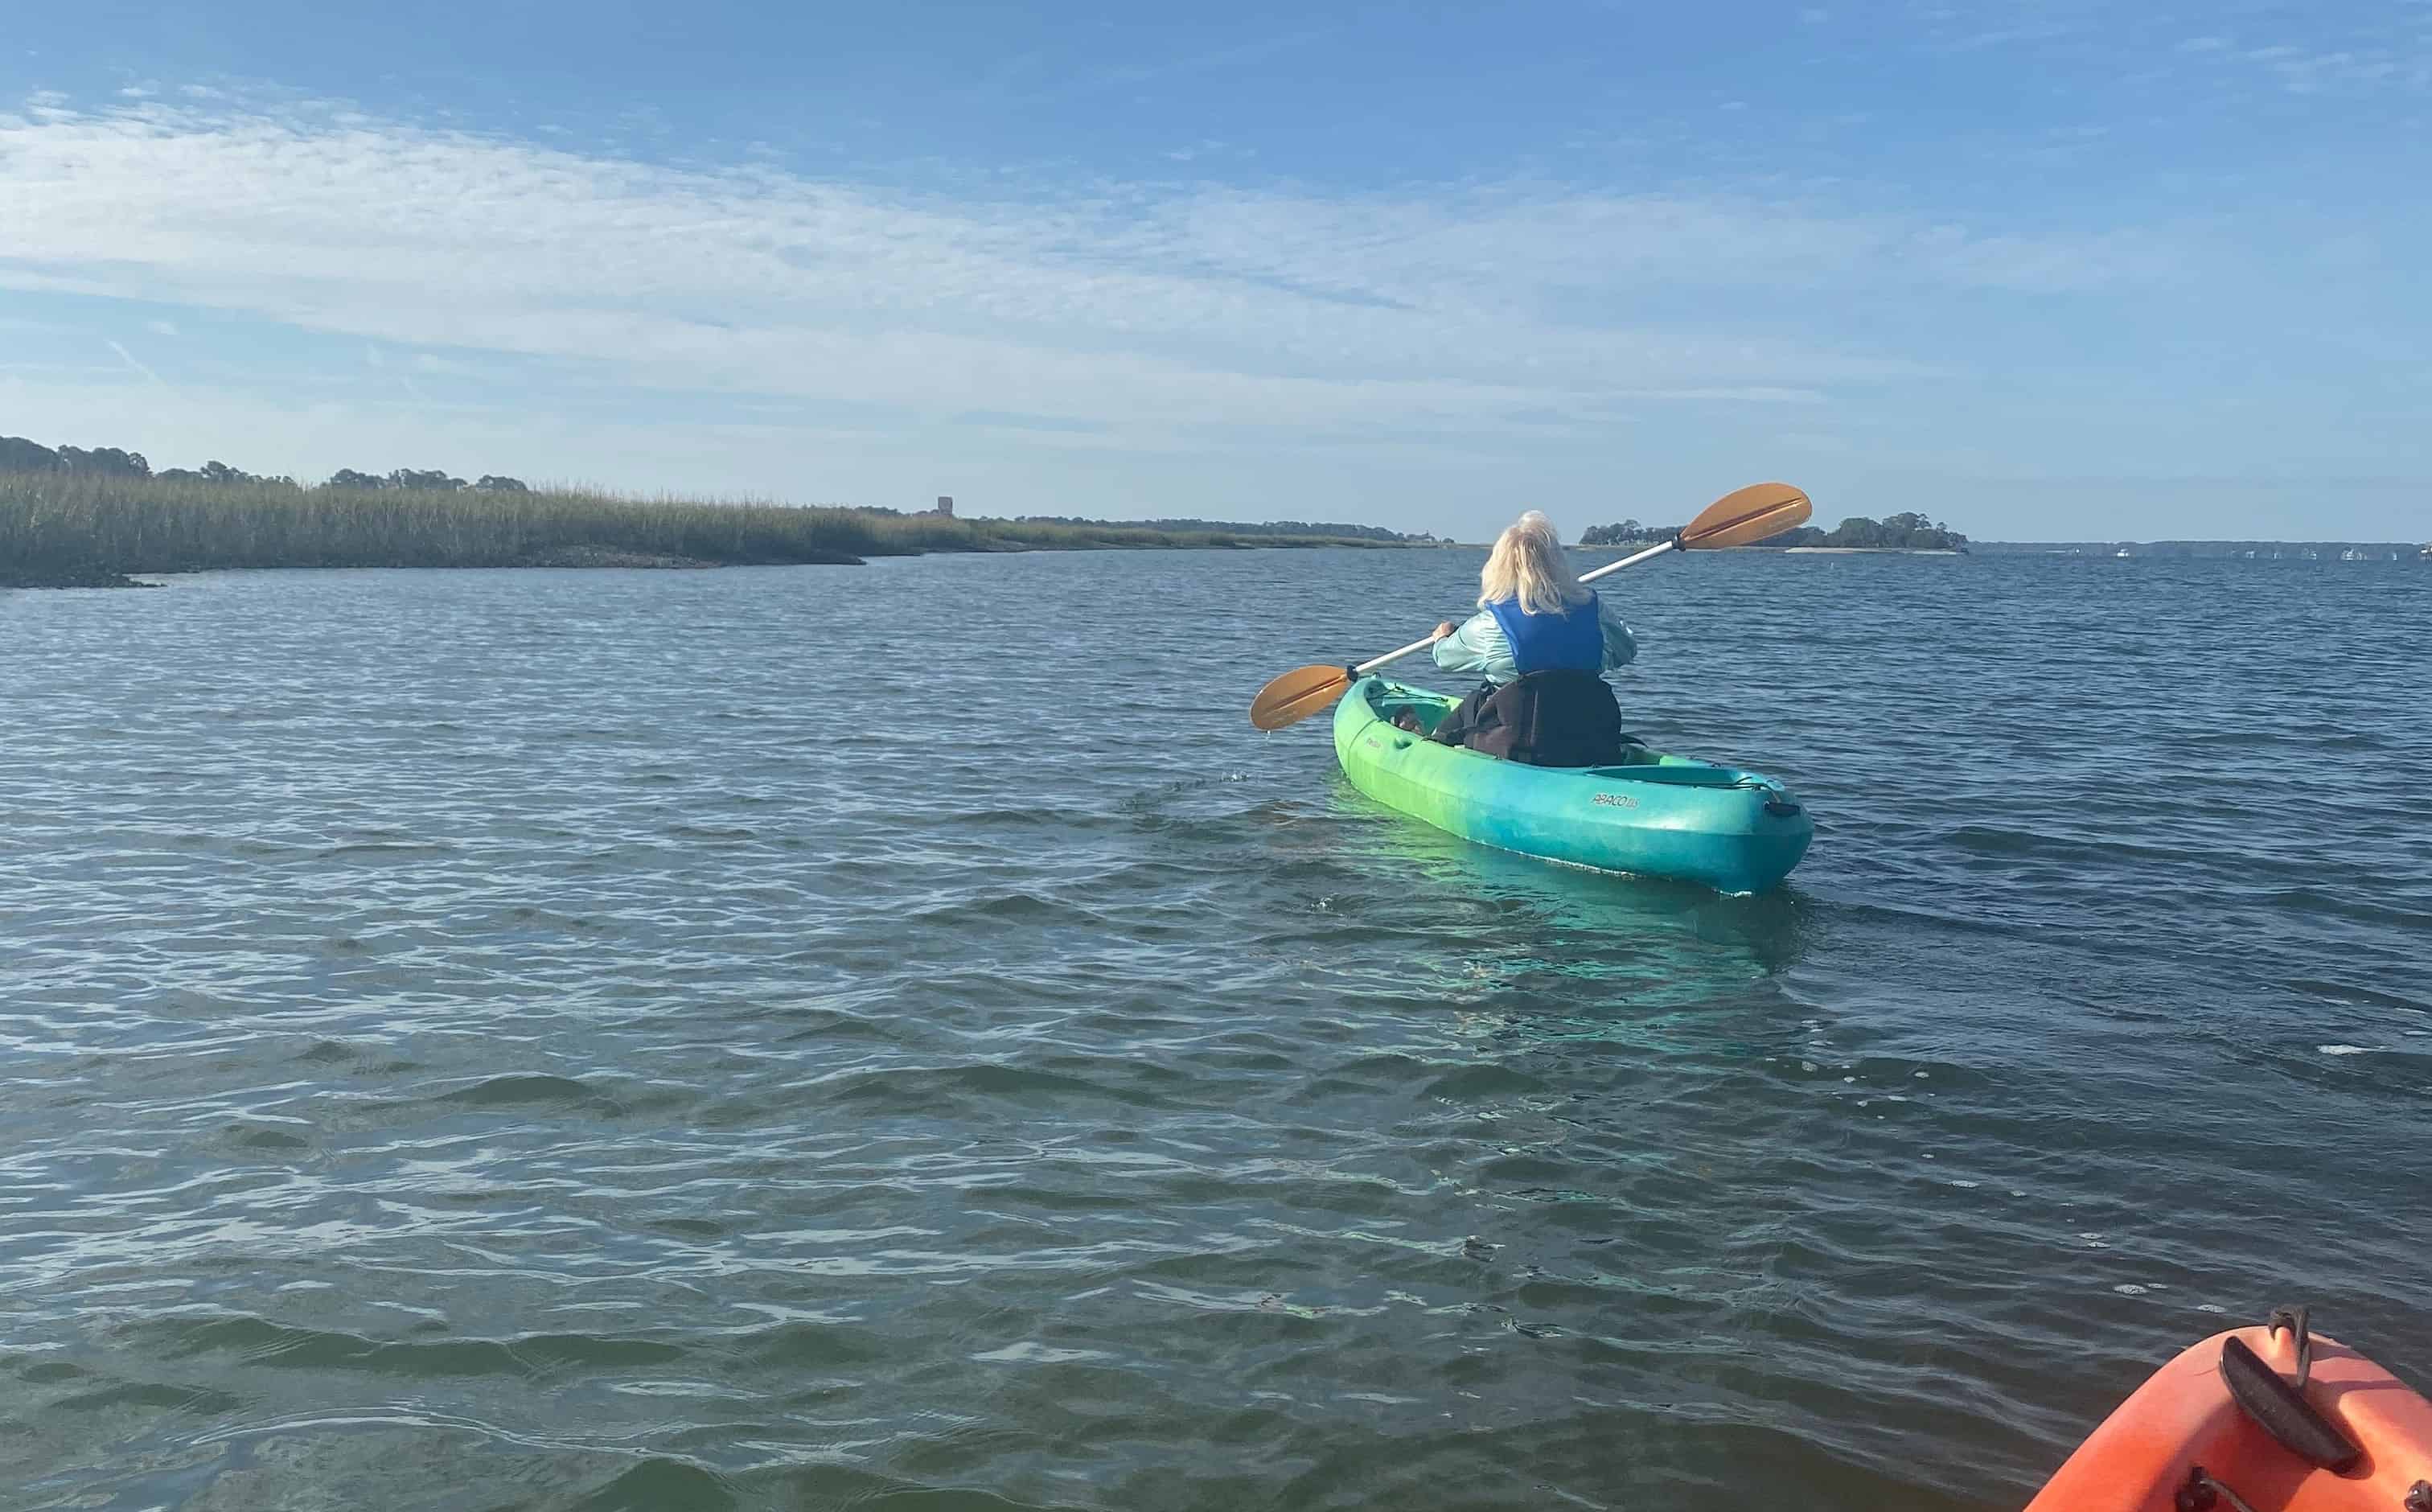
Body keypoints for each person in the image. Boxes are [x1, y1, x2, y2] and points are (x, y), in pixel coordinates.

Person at [1421, 511, 1637, 766]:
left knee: (1475, 703)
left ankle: (1430, 748)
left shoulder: (1491, 624)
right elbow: (1627, 650)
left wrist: (1442, 638)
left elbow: (1445, 659)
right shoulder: (1594, 610)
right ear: (1558, 564)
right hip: (1589, 738)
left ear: (1498, 568)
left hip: (1522, 743)